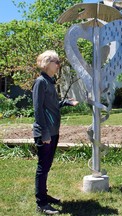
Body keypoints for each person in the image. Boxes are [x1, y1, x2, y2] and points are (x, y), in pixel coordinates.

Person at [33, 50, 78, 215]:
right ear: (47, 63)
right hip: (45, 133)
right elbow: (38, 110)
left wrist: (65, 102)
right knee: (42, 167)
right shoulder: (40, 82)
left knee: (47, 166)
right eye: (56, 61)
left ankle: (44, 195)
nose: (59, 64)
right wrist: (44, 133)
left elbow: (51, 105)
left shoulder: (49, 81)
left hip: (53, 132)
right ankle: (42, 203)